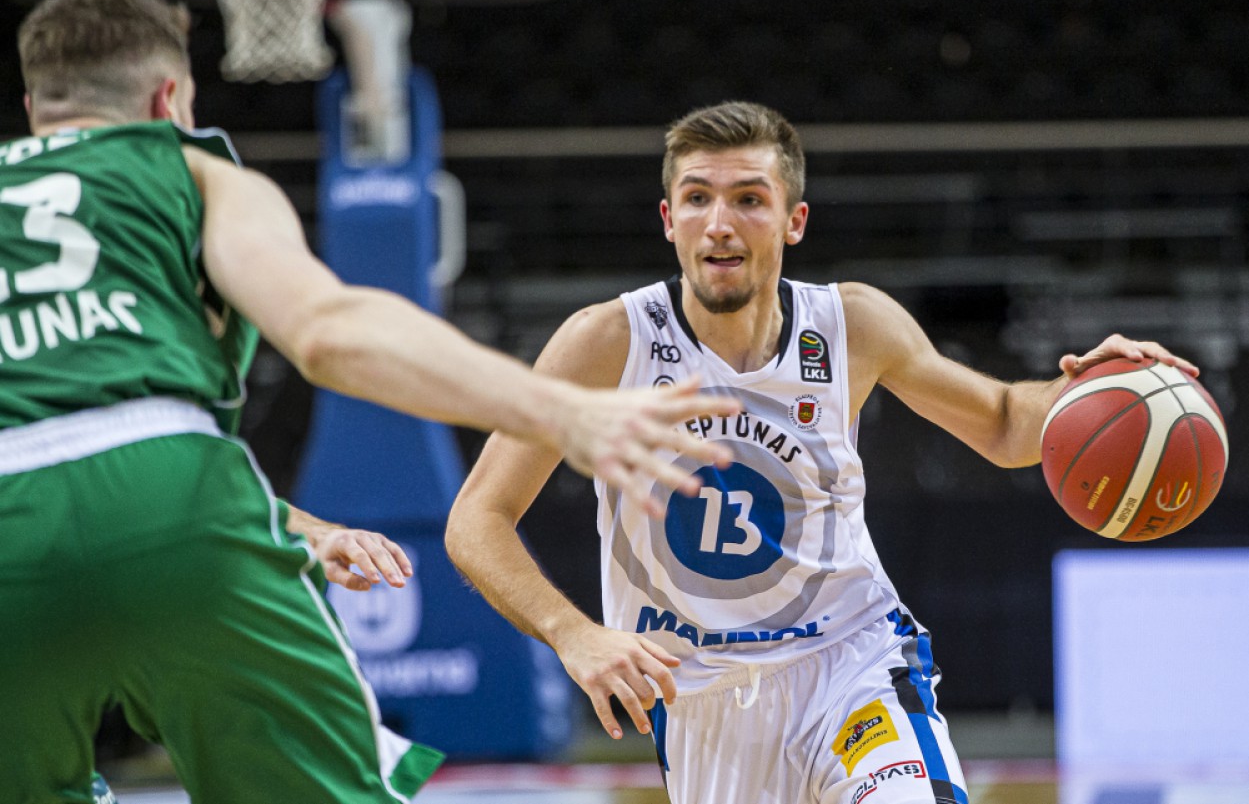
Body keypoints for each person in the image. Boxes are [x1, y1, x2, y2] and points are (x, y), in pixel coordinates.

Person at [0, 0, 741, 804]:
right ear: (167, 100)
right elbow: (325, 331)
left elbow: (51, 449)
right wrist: (563, 410)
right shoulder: (190, 170)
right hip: (176, 509)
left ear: (33, 107)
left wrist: (297, 526)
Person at [444, 100, 1197, 804]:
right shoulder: (606, 342)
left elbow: (1001, 423)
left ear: (793, 219)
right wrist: (572, 634)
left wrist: (1089, 391)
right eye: (698, 198)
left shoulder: (851, 325)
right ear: (668, 219)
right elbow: (477, 517)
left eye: (748, 198)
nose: (719, 224)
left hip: (850, 660)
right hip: (701, 696)